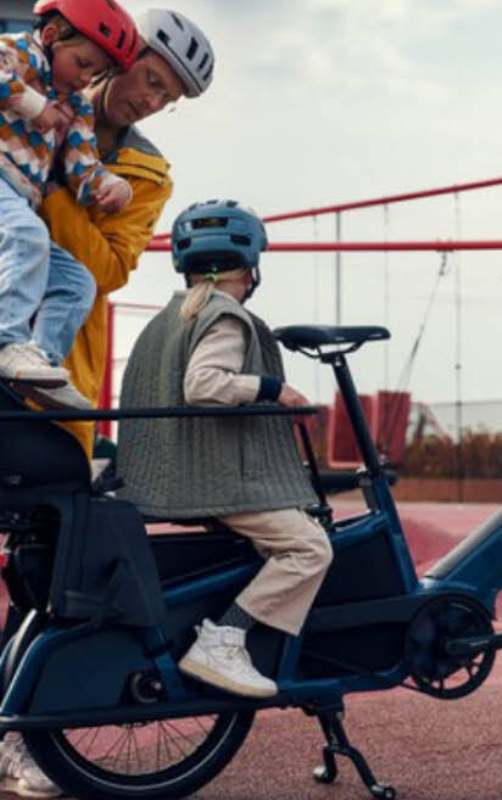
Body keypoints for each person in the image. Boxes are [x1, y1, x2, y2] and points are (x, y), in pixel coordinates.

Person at [0, 8, 216, 796]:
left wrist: (61, 171)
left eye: (170, 98)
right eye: (153, 81)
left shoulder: (146, 171)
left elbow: (111, 265)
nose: (153, 101)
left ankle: (27, 723)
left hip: (44, 368)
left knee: (43, 549)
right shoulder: (17, 86)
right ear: (115, 57)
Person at [117, 200, 332, 699]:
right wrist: (272, 388)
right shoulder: (224, 316)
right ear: (251, 267)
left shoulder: (168, 318)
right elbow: (205, 385)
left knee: (292, 536)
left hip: (165, 474)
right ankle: (225, 638)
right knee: (309, 547)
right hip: (211, 479)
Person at [0, 0, 138, 410]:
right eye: (82, 63)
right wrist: (33, 104)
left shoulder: (75, 107)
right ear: (51, 37)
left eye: (94, 73)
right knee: (26, 235)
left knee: (77, 284)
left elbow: (83, 165)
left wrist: (112, 186)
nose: (85, 78)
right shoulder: (21, 52)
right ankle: (7, 344)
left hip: (12, 199)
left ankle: (37, 365)